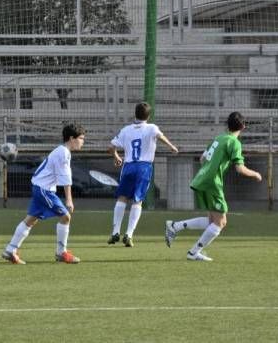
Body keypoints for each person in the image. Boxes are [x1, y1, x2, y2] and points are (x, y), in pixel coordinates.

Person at [164, 111, 262, 261]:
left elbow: (202, 158)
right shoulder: (234, 143)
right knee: (221, 222)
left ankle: (175, 226)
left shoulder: (218, 138)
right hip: (212, 182)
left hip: (202, 179)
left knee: (212, 221)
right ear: (243, 126)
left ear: (227, 125)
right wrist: (256, 174)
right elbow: (240, 168)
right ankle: (193, 252)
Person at [1, 123, 86, 264]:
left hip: (39, 187)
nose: (83, 141)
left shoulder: (61, 151)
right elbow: (66, 178)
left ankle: (10, 250)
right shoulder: (63, 153)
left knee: (31, 220)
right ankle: (61, 253)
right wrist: (69, 200)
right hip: (43, 189)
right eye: (81, 138)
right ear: (72, 138)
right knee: (65, 217)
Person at [106, 102, 178, 247]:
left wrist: (116, 156)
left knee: (122, 198)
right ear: (148, 116)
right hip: (144, 167)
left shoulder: (126, 130)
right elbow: (160, 136)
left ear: (135, 114)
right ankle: (129, 234)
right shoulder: (151, 128)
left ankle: (115, 232)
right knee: (137, 201)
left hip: (128, 166)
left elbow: (111, 147)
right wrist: (172, 147)